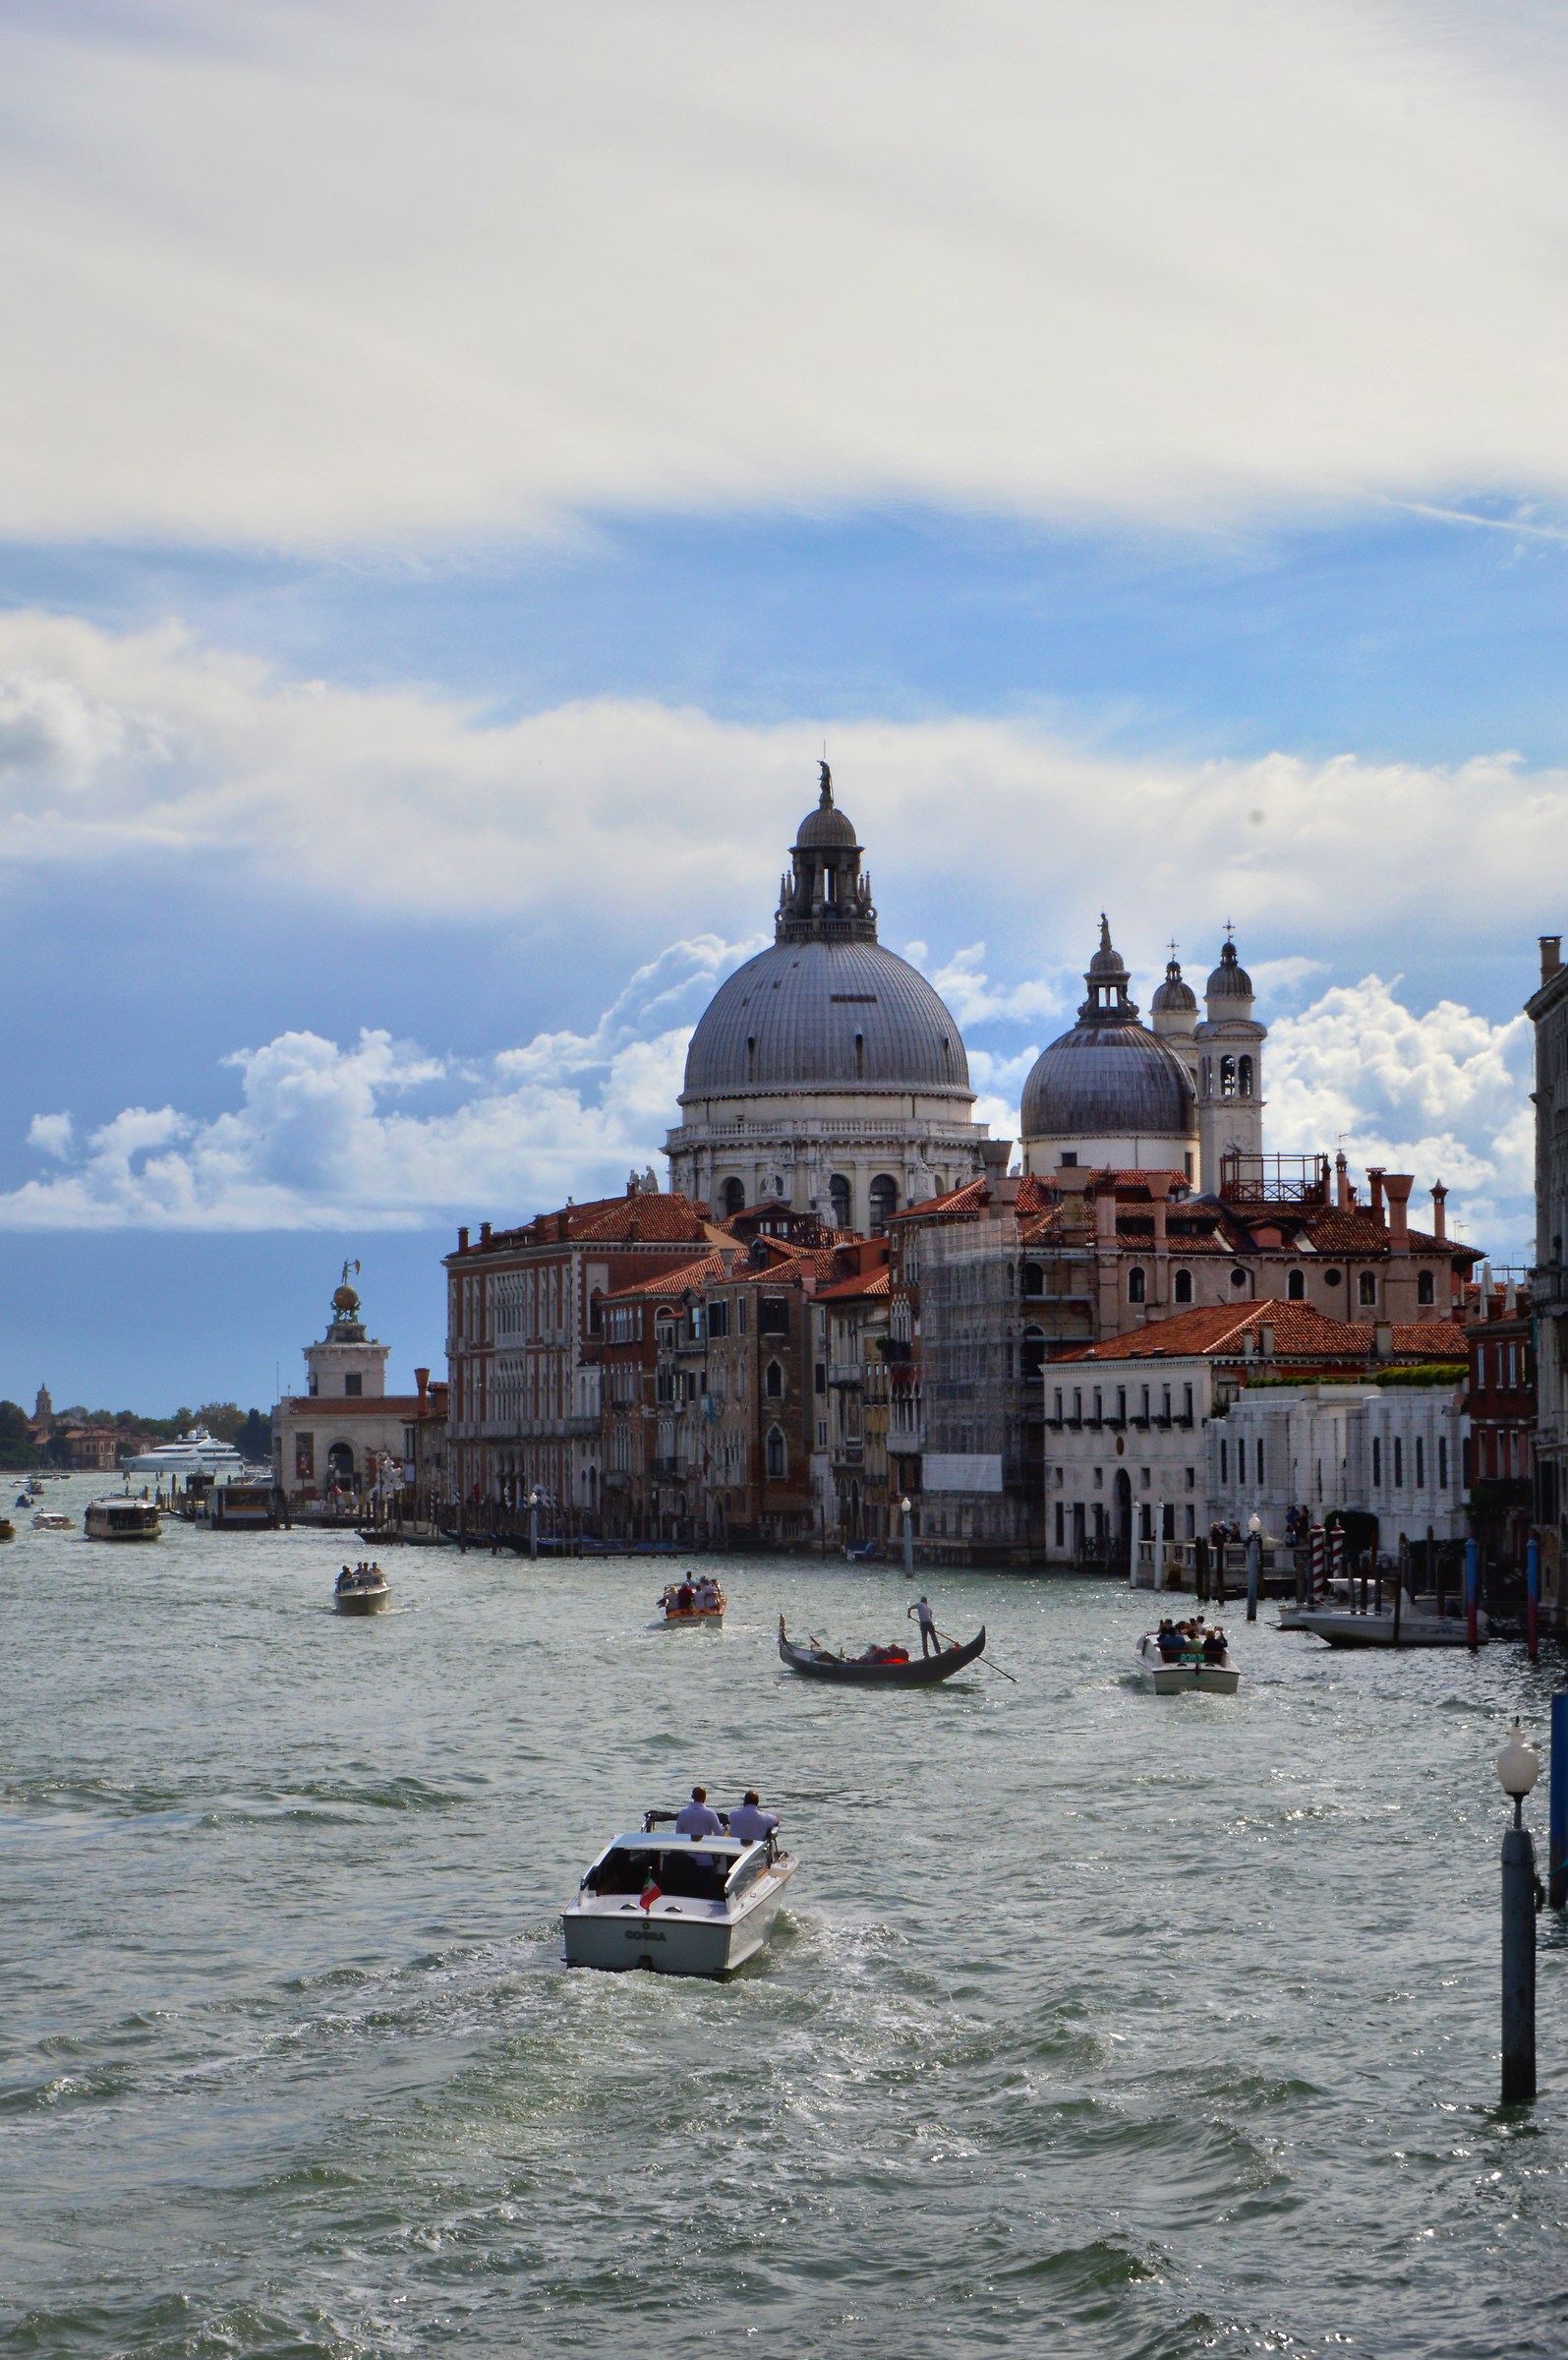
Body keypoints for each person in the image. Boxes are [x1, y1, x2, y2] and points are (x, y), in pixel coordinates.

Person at [674, 1783, 725, 1869]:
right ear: (705, 1797)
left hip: (687, 1859)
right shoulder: (710, 1813)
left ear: (692, 1797)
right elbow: (719, 1834)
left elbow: (678, 1834)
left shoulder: (683, 1813)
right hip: (705, 1861)